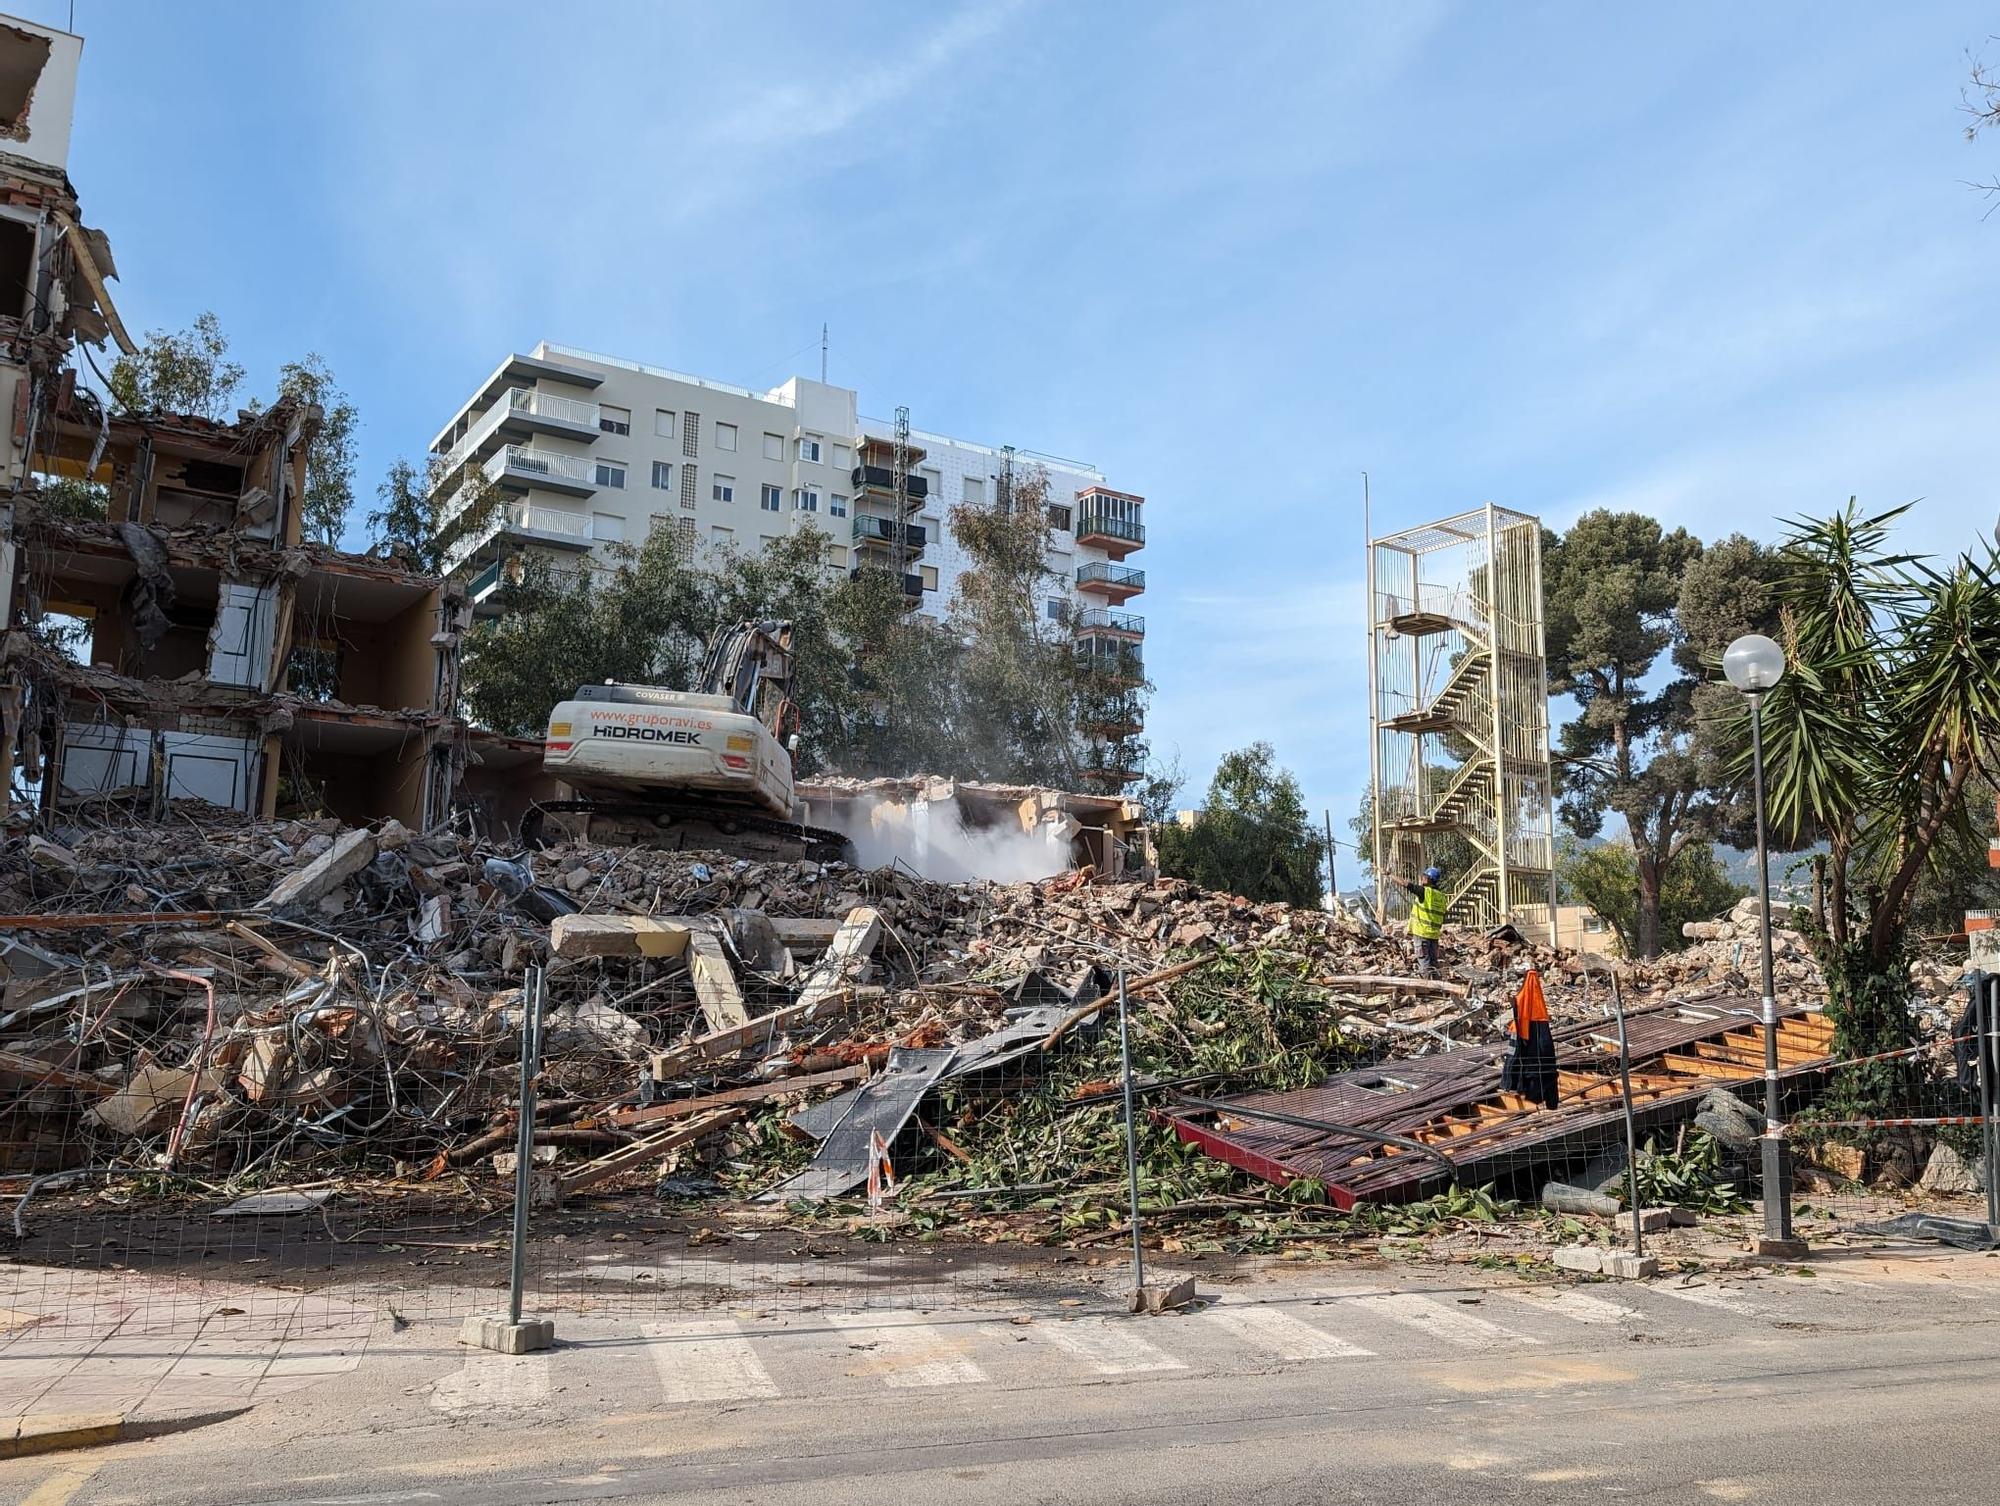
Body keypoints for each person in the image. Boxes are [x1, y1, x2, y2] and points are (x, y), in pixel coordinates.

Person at [1399, 865, 1448, 976]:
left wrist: (1389, 874)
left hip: (1422, 934)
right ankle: (1437, 987)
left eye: (1424, 876)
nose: (1422, 878)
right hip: (1434, 936)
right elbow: (1443, 915)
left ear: (1428, 879)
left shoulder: (1424, 892)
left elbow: (1406, 884)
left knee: (1424, 964)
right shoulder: (1441, 896)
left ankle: (1427, 989)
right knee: (1434, 964)